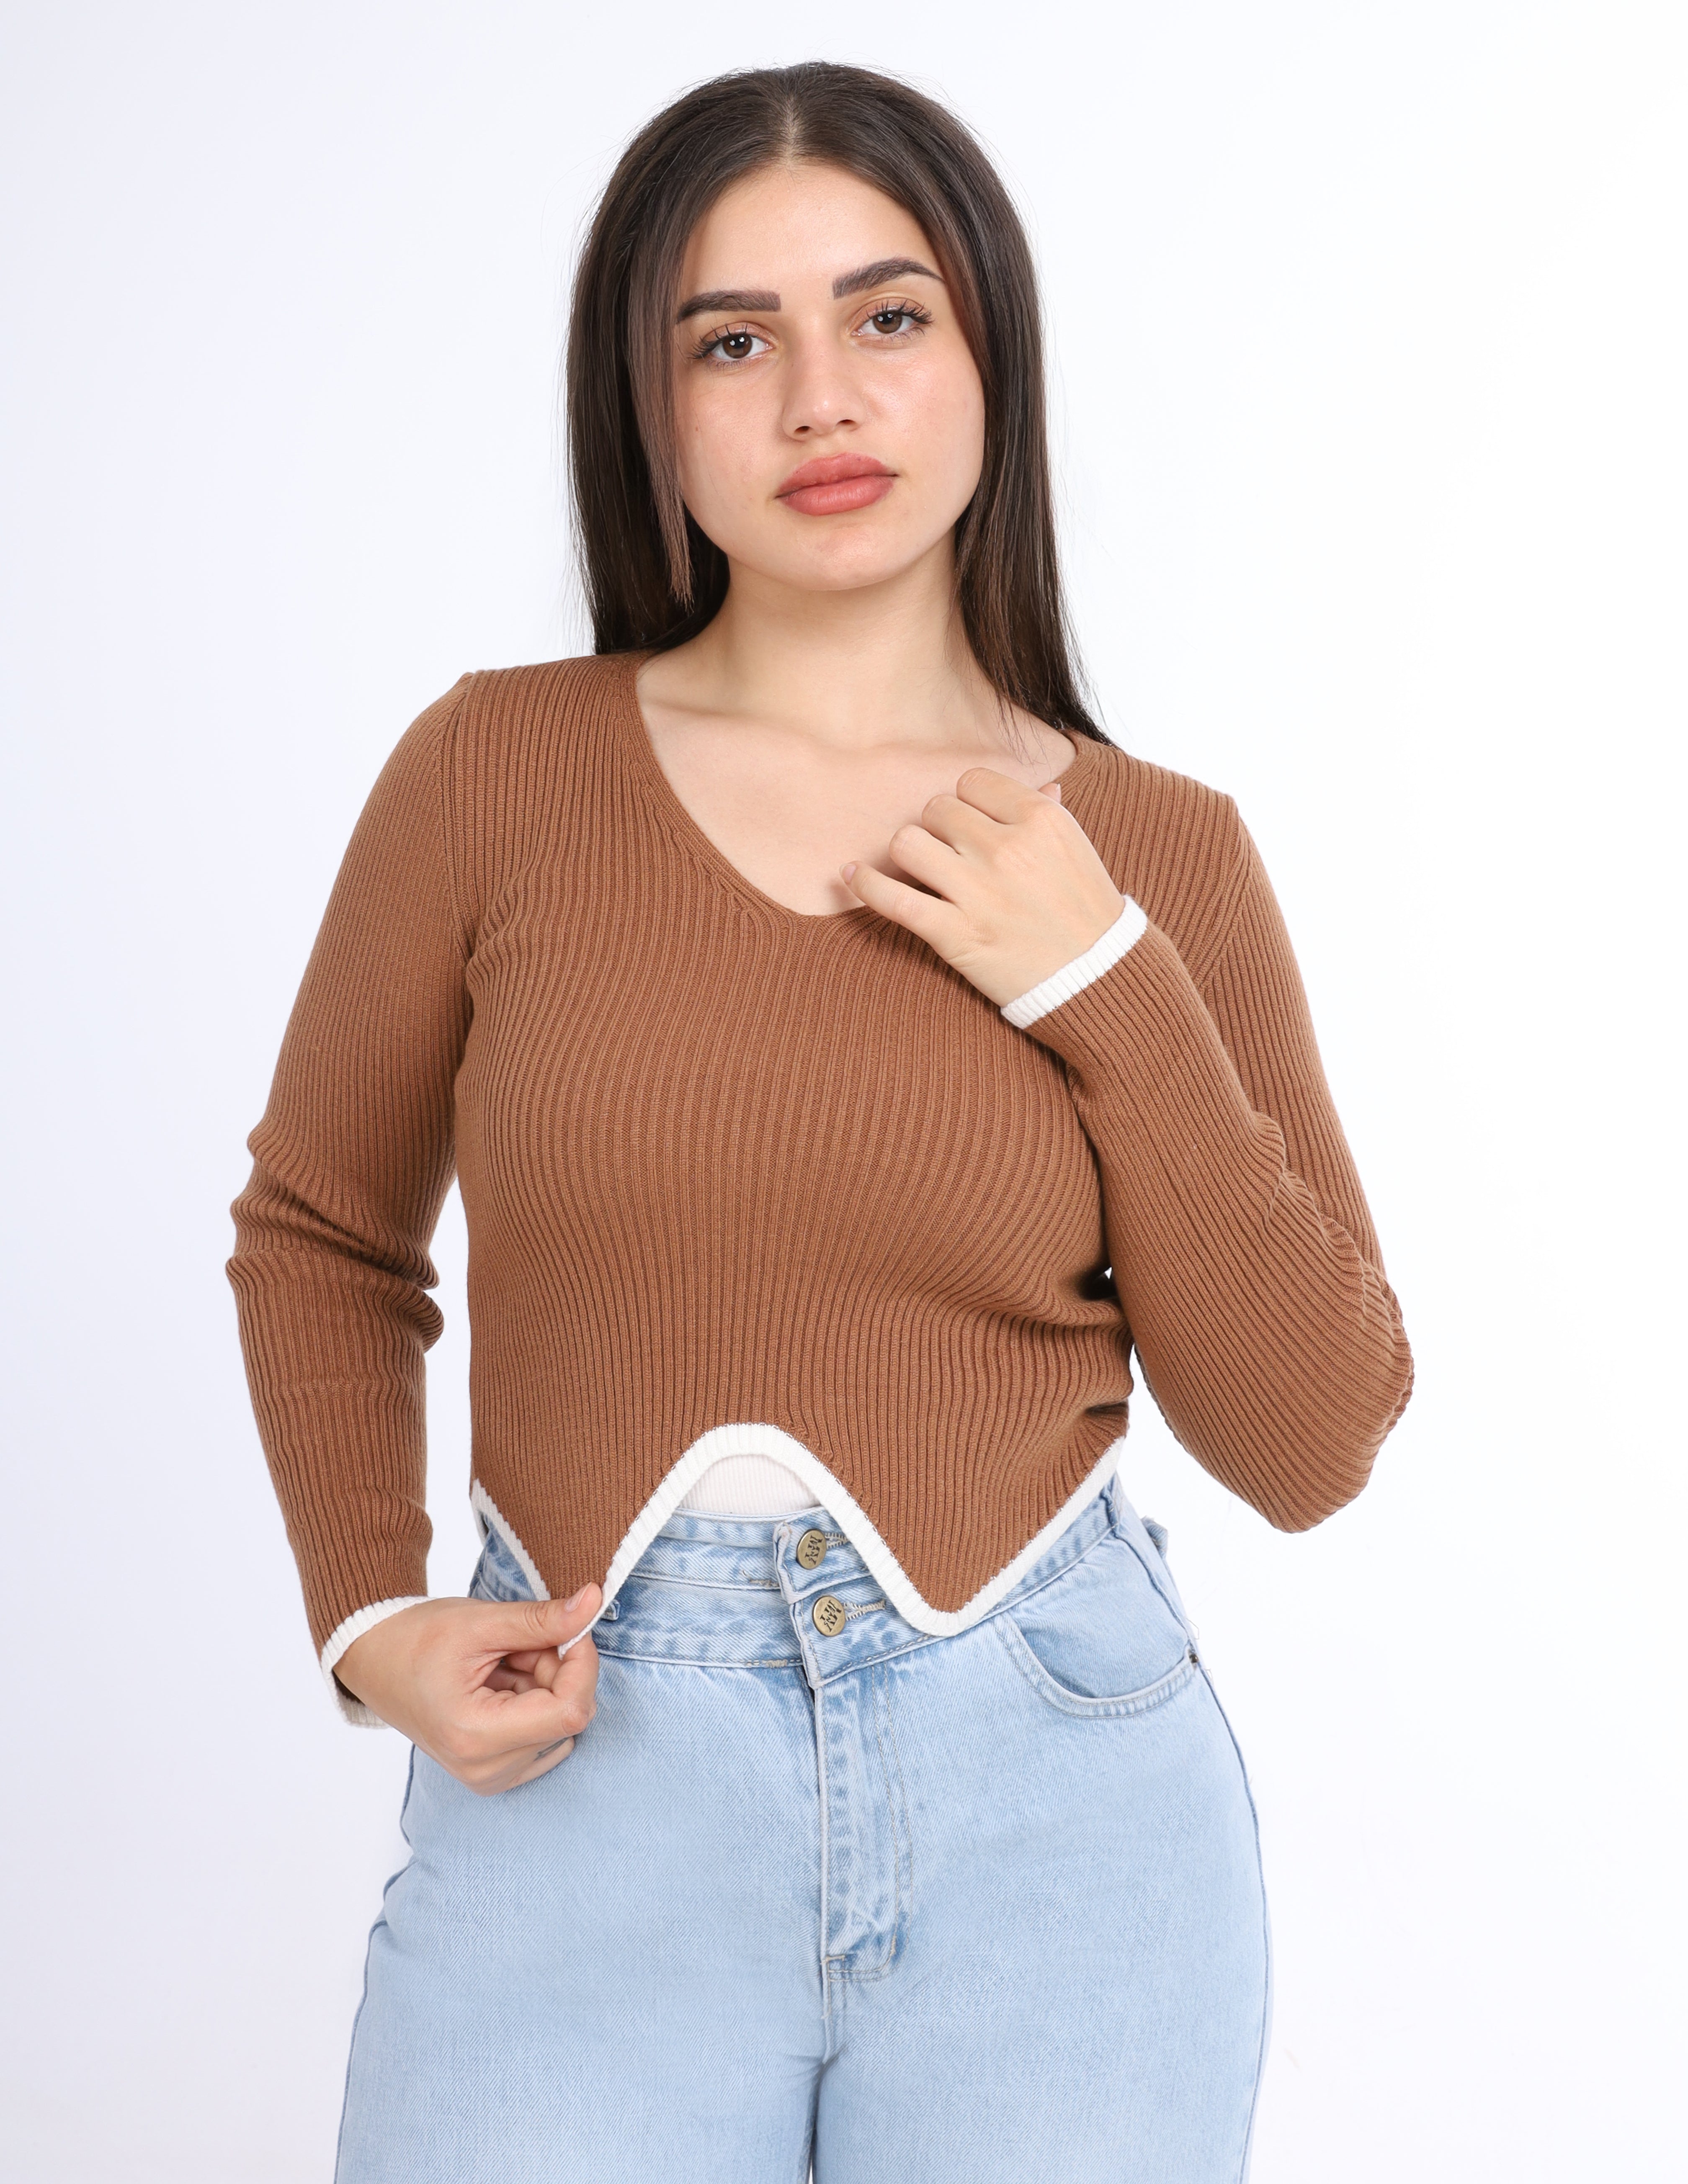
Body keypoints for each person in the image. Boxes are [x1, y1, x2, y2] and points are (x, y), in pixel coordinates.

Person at [228, 59, 1412, 2184]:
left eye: (888, 316)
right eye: (731, 341)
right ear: (648, 404)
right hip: (579, 1798)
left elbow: (1313, 1439)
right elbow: (325, 1229)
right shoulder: (495, 774)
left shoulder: (1162, 856)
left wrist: (1099, 977)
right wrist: (364, 1613)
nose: (819, 401)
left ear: (989, 355)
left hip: (1064, 1820)